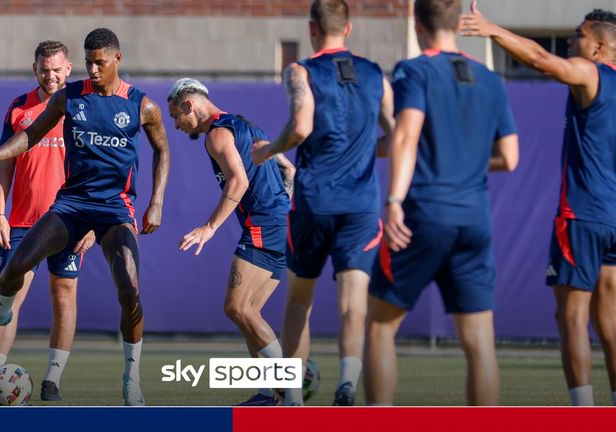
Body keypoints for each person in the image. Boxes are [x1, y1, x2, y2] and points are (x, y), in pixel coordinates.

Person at [0, 28, 170, 406]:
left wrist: (156, 201)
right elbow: (30, 135)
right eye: (88, 62)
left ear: (117, 59)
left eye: (99, 62)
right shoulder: (70, 97)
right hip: (71, 205)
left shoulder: (142, 105)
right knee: (14, 270)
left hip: (115, 210)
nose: (92, 68)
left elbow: (162, 150)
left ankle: (131, 378)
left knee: (129, 288)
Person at [364, 0, 519, 406]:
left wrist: (394, 199)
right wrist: (459, 158)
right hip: (474, 221)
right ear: (458, 23)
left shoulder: (414, 70)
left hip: (423, 216)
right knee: (480, 343)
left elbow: (405, 135)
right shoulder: (490, 79)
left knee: (380, 328)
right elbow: (510, 158)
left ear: (417, 24)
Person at [463, 2, 616, 407]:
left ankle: (584, 414)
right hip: (614, 219)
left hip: (582, 214)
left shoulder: (591, 73)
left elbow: (540, 58)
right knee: (610, 320)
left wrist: (492, 29)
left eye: (579, 35)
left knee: (571, 319)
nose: (571, 40)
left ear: (600, 49)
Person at [252, 0, 395, 406]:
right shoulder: (374, 74)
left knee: (299, 302)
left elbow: (300, 127)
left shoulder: (301, 71)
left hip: (314, 202)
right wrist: (367, 151)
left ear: (311, 27)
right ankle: (347, 382)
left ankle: (294, 398)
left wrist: (269, 151)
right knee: (353, 304)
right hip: (362, 207)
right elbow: (401, 134)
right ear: (348, 29)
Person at [0, 41, 95, 403]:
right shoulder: (19, 107)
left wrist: (95, 224)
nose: (51, 75)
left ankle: (52, 381)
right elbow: (5, 162)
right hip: (21, 223)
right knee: (8, 298)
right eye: (44, 69)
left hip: (70, 219)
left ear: (68, 70)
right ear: (35, 70)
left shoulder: (84, 106)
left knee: (63, 296)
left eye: (57, 69)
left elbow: (100, 170)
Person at [168, 78, 296, 406]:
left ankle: (292, 396)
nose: (177, 125)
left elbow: (238, 182)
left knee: (236, 307)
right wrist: (283, 205)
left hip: (262, 223)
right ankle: (271, 394)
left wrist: (209, 228)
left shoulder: (216, 134)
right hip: (279, 222)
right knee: (248, 312)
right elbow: (289, 169)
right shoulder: (245, 125)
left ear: (189, 106)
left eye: (176, 116)